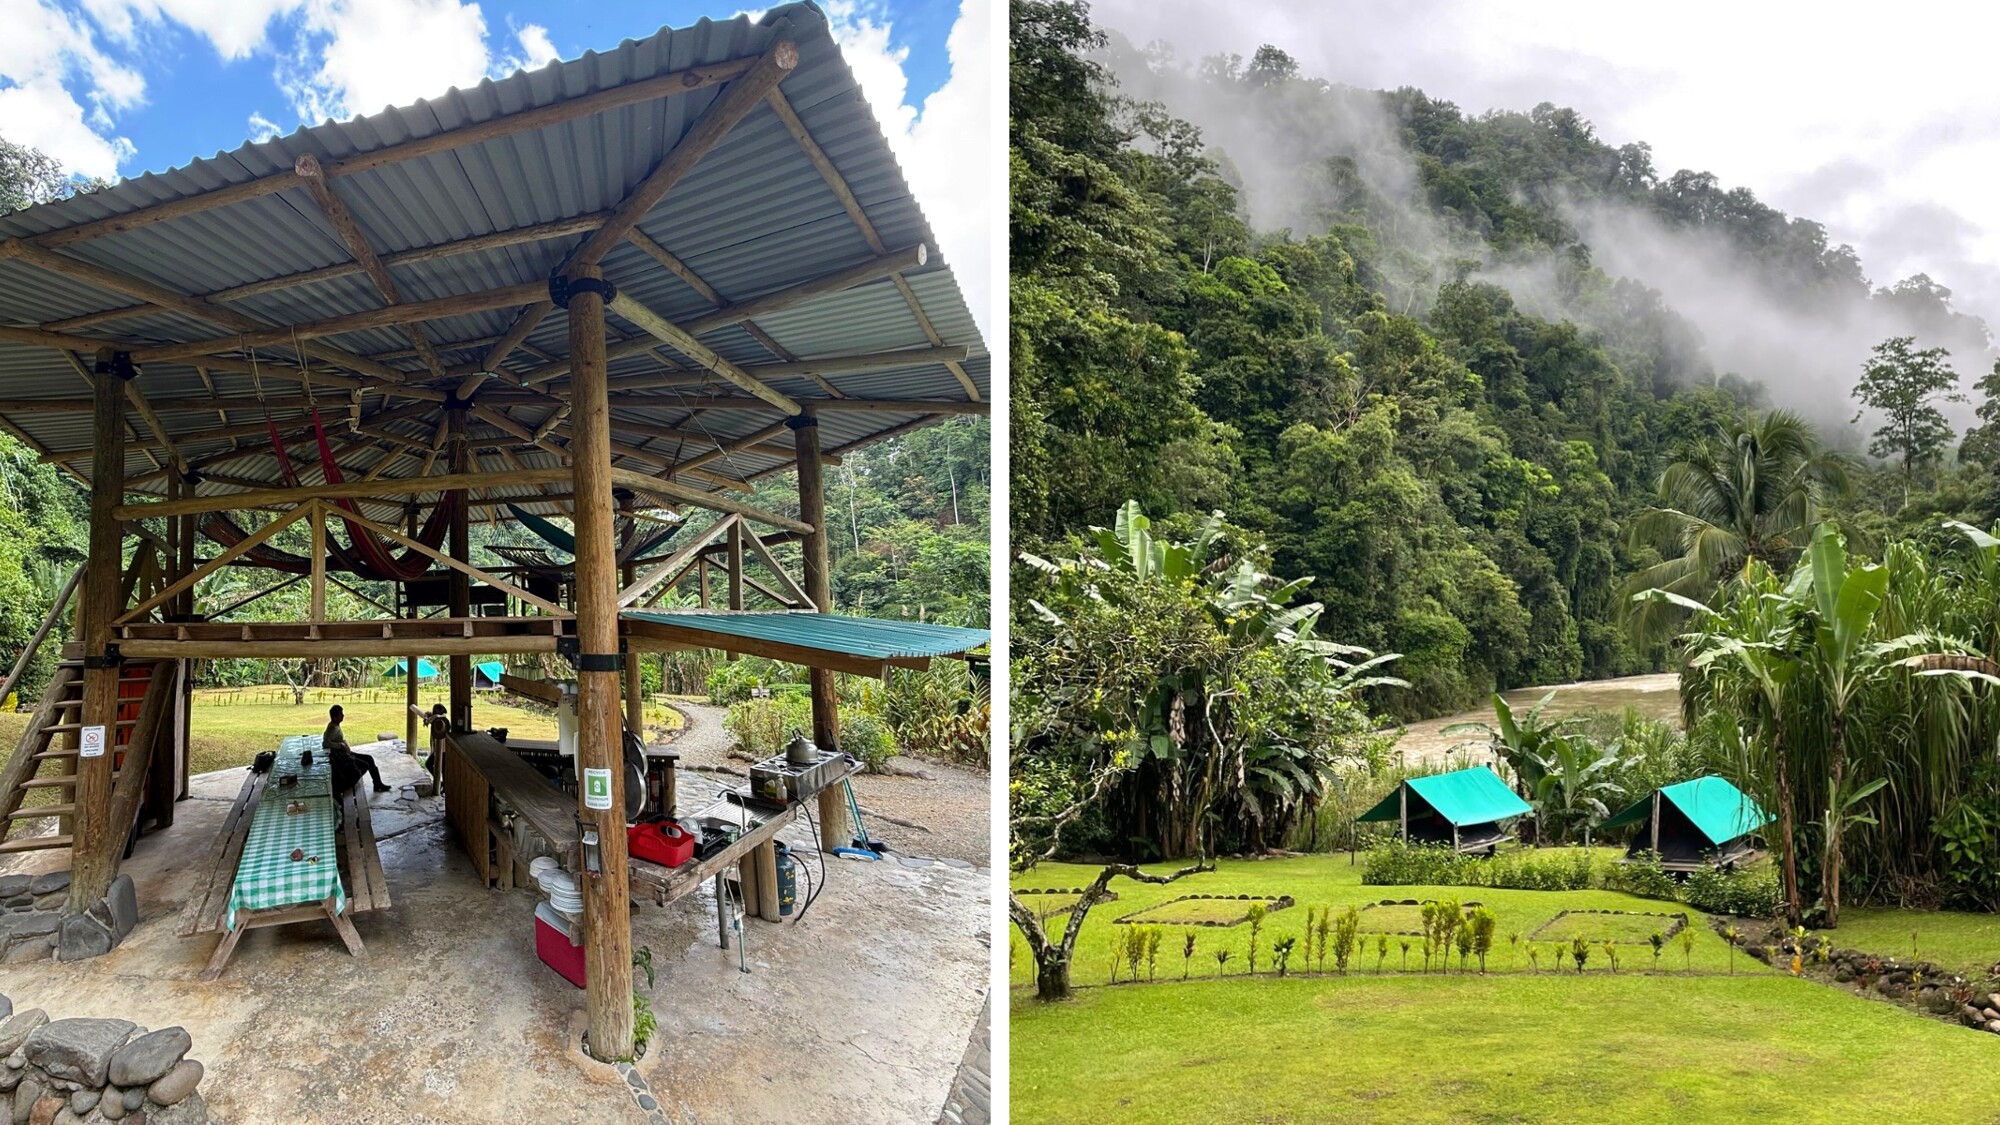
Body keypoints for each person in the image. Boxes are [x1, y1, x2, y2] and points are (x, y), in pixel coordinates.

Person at [323, 704, 391, 794]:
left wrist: (344, 743)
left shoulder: (335, 725)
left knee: (369, 758)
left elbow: (335, 739)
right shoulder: (332, 728)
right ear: (335, 717)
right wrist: (340, 745)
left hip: (345, 753)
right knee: (365, 765)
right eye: (340, 714)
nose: (343, 715)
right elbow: (326, 743)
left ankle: (377, 784)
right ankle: (350, 782)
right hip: (342, 756)